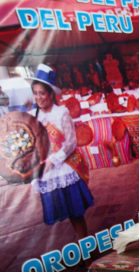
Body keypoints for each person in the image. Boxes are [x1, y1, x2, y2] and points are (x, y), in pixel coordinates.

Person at [28, 64, 93, 238]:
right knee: (62, 212)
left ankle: (87, 250)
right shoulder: (33, 115)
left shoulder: (61, 112)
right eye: (35, 93)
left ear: (50, 94)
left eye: (42, 93)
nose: (39, 97)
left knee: (76, 214)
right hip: (48, 173)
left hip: (64, 167)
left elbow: (71, 142)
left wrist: (53, 160)